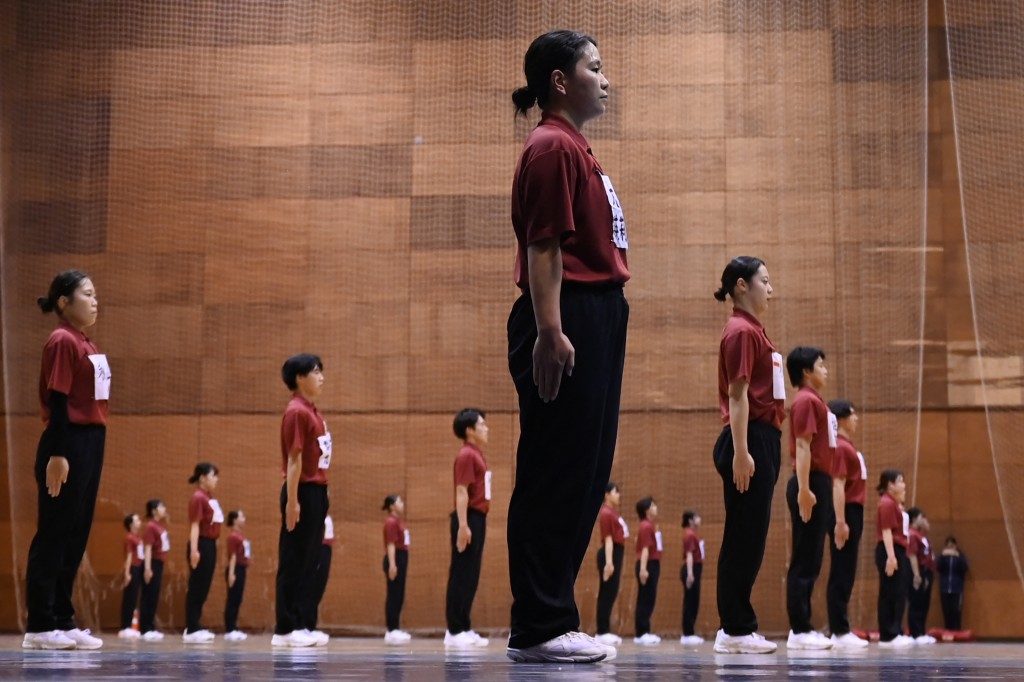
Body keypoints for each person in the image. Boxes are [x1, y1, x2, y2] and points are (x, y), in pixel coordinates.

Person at [505, 28, 629, 665]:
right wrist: (551, 331)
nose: (606, 79)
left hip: (595, 312)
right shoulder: (552, 145)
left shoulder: (577, 148)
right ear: (561, 80)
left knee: (586, 470)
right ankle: (540, 623)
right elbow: (544, 246)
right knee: (556, 469)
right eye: (595, 67)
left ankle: (551, 616)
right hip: (566, 316)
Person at [24, 271, 109, 651]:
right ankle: (40, 625)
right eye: (87, 294)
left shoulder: (85, 342)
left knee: (75, 534)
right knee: (55, 533)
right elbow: (58, 399)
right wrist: (58, 453)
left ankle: (61, 617)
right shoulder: (62, 340)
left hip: (90, 441)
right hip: (67, 442)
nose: (95, 301)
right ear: (63, 301)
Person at [711, 257, 783, 655]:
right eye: (765, 281)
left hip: (761, 439)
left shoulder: (756, 331)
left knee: (751, 537)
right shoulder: (740, 331)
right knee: (743, 537)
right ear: (742, 285)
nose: (771, 289)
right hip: (747, 440)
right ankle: (735, 629)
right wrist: (742, 452)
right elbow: (738, 395)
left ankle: (737, 626)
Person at [274, 353, 331, 648]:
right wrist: (292, 502)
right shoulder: (296, 412)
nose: (321, 376)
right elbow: (294, 460)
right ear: (299, 378)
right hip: (301, 492)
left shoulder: (313, 412)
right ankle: (284, 628)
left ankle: (299, 623)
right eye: (315, 371)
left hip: (317, 492)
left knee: (309, 560)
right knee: (294, 559)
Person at [784, 346, 836, 651]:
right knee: (804, 558)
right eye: (820, 365)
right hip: (810, 484)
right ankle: (800, 629)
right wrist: (804, 490)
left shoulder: (816, 401)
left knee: (813, 557)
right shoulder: (804, 401)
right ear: (806, 371)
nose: (825, 370)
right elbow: (802, 447)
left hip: (819, 482)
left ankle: (804, 627)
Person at [444, 408, 491, 649]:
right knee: (461, 573)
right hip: (468, 518)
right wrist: (463, 525)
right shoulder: (466, 455)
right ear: (470, 430)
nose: (486, 428)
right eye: (482, 424)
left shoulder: (477, 455)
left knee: (471, 574)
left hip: (478, 517)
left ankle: (464, 626)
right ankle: (454, 630)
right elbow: (461, 491)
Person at [825, 399, 869, 649]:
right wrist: (840, 521)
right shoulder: (841, 448)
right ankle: (839, 631)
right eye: (853, 414)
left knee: (847, 570)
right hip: (846, 513)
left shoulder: (848, 447)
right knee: (842, 570)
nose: (856, 418)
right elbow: (838, 485)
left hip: (853, 512)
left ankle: (841, 629)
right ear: (840, 418)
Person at [183, 462, 222, 643]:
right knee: (197, 586)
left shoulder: (209, 497)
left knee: (204, 586)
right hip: (201, 544)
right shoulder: (198, 497)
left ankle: (195, 625)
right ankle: (191, 628)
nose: (216, 479)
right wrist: (194, 550)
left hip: (210, 544)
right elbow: (195, 525)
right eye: (213, 475)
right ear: (203, 478)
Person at [876, 470, 914, 648]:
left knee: (897, 593)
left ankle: (894, 631)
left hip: (897, 550)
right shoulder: (886, 503)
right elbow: (886, 532)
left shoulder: (894, 504)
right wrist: (891, 557)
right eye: (900, 481)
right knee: (889, 593)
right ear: (890, 485)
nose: (904, 485)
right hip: (889, 550)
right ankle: (888, 635)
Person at [595, 482, 627, 646]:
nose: (618, 495)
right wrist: (609, 563)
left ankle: (604, 630)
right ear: (607, 494)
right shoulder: (606, 513)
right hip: (610, 554)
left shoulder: (613, 513)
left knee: (611, 592)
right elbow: (608, 539)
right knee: (606, 593)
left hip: (615, 554)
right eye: (616, 492)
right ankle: (602, 631)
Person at [382, 495, 411, 644]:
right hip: (396, 558)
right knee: (393, 594)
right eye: (399, 501)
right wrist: (393, 565)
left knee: (399, 594)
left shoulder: (399, 521)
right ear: (392, 506)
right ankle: (391, 629)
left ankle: (395, 628)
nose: (402, 503)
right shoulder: (391, 522)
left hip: (402, 558)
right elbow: (391, 544)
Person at [633, 497, 662, 646]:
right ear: (647, 510)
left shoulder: (649, 525)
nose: (656, 507)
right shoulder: (646, 526)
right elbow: (644, 549)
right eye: (653, 505)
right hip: (648, 564)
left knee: (647, 598)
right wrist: (643, 569)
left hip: (651, 564)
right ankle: (642, 633)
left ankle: (643, 632)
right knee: (645, 599)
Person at [140, 499, 169, 642]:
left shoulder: (159, 526)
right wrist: (147, 568)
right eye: (161, 506)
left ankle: (150, 627)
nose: (164, 508)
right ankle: (145, 629)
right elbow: (148, 547)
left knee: (154, 595)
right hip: (152, 563)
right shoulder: (151, 526)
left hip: (159, 563)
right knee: (148, 595)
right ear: (154, 510)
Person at [907, 507, 937, 644]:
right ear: (914, 519)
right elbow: (912, 555)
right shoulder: (912, 534)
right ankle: (916, 633)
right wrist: (917, 575)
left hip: (928, 571)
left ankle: (922, 631)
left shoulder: (922, 535)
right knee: (917, 602)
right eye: (921, 517)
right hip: (920, 570)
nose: (924, 519)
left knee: (924, 602)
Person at [303, 515, 334, 645]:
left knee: (318, 588)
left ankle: (310, 625)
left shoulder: (324, 513)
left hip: (326, 550)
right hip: (318, 549)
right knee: (311, 588)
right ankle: (305, 626)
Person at [224, 510, 250, 642]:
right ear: (235, 520)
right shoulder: (233, 536)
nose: (244, 518)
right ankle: (230, 629)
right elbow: (233, 556)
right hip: (235, 569)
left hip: (242, 569)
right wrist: (231, 573)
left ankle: (234, 627)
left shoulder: (240, 535)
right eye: (241, 516)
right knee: (232, 599)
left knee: (237, 599)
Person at [679, 510, 705, 646]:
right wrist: (690, 573)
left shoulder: (693, 534)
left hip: (695, 569)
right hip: (691, 569)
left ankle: (689, 632)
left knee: (694, 600)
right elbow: (689, 555)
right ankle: (688, 633)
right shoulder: (689, 534)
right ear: (690, 520)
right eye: (696, 516)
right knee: (690, 601)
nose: (699, 519)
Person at [118, 513, 143, 640]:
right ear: (131, 524)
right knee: (129, 597)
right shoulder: (129, 537)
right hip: (132, 568)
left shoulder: (137, 537)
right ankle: (125, 627)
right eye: (137, 519)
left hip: (139, 568)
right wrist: (127, 573)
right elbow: (128, 556)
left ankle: (128, 627)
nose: (140, 521)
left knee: (134, 598)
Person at [937, 536, 969, 631]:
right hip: (945, 588)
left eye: (952, 545)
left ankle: (956, 630)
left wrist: (957, 556)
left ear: (955, 546)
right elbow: (938, 567)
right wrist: (943, 556)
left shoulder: (960, 556)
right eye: (948, 546)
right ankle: (948, 630)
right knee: (946, 610)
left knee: (956, 610)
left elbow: (965, 568)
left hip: (956, 588)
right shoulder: (943, 557)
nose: (950, 547)